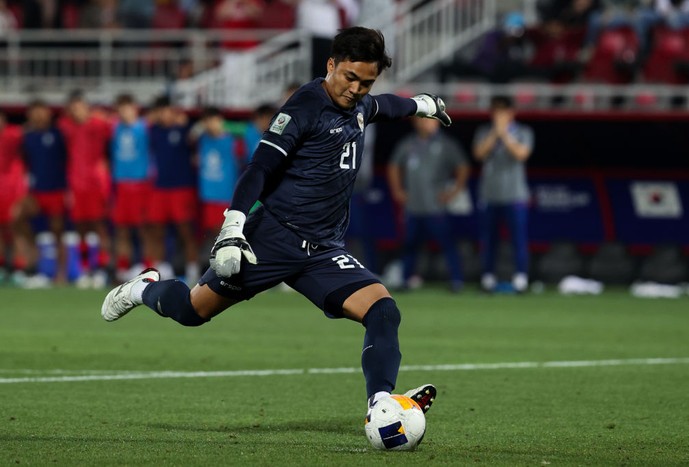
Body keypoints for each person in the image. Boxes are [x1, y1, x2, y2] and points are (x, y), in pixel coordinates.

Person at [102, 27, 451, 425]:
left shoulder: (361, 104)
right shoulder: (304, 106)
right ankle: (144, 288)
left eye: (366, 82)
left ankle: (381, 406)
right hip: (271, 239)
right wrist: (233, 226)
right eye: (349, 77)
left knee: (383, 310)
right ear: (331, 65)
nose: (356, 89)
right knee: (191, 311)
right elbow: (260, 167)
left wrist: (423, 104)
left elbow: (386, 106)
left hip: (322, 249)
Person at [387, 116, 470, 293]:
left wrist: (454, 191)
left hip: (435, 206)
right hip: (413, 206)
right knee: (409, 245)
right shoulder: (408, 143)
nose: (424, 123)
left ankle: (456, 280)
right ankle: (405, 280)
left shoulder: (446, 144)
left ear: (437, 122)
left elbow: (463, 166)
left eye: (429, 120)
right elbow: (393, 165)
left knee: (447, 244)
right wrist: (397, 190)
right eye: (421, 120)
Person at [472, 95, 534, 293]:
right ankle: (488, 278)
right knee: (489, 240)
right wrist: (494, 133)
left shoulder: (524, 131)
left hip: (515, 195)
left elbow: (521, 154)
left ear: (511, 113)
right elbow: (479, 154)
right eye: (495, 111)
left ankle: (521, 279)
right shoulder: (484, 131)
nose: (498, 115)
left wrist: (504, 133)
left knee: (518, 239)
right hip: (489, 195)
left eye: (502, 111)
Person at [58, 90, 113, 288]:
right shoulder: (66, 127)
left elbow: (116, 124)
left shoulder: (100, 125)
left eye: (80, 107)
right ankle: (84, 270)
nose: (77, 111)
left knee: (99, 227)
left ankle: (103, 269)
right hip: (76, 184)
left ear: (87, 107)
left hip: (96, 184)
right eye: (74, 108)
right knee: (80, 229)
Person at [147, 95, 199, 284]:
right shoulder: (153, 131)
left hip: (181, 188)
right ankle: (157, 271)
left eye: (167, 111)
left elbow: (201, 130)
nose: (164, 115)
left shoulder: (186, 130)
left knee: (185, 232)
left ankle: (193, 271)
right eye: (160, 111)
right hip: (160, 189)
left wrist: (186, 121)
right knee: (157, 231)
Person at [18, 99, 69, 284]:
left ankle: (61, 274)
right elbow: (25, 164)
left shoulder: (58, 134)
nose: (38, 115)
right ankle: (33, 264)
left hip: (56, 190)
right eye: (34, 112)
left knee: (58, 232)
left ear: (48, 113)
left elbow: (68, 160)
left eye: (42, 111)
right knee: (17, 219)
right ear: (29, 115)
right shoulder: (27, 137)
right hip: (35, 192)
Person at [110, 93, 153, 282]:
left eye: (127, 108)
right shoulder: (114, 128)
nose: (124, 112)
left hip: (140, 184)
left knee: (144, 229)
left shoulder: (145, 127)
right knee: (122, 230)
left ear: (134, 108)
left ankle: (148, 269)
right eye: (120, 109)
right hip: (121, 185)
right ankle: (121, 270)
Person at [195, 106, 240, 248]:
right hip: (208, 195)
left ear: (221, 121)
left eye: (214, 121)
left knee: (225, 234)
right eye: (207, 121)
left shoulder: (232, 140)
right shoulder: (202, 139)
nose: (211, 125)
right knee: (210, 235)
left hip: (226, 196)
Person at [0, 110, 28, 284]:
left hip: (14, 192)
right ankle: (2, 268)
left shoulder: (14, 135)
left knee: (17, 229)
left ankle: (20, 269)